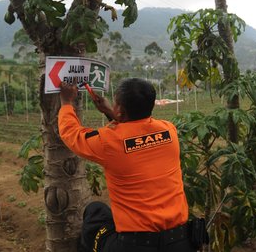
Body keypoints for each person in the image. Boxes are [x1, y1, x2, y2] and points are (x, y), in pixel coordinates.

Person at [58, 78, 196, 252]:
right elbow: (134, 135)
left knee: (95, 213)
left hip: (135, 245)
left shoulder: (108, 142)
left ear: (121, 111)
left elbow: (72, 135)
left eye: (115, 103)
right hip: (179, 242)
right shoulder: (169, 131)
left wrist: (66, 102)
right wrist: (110, 111)